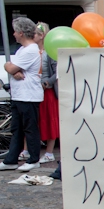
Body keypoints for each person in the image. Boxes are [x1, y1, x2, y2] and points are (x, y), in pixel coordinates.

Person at [0, 17, 43, 172]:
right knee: (17, 129)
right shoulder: (23, 50)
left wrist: (9, 67)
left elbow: (12, 68)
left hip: (29, 95)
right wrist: (12, 69)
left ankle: (34, 159)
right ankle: (11, 159)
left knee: (30, 128)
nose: (13, 34)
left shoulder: (30, 50)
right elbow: (14, 69)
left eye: (15, 31)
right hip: (20, 94)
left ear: (21, 33)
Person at [36, 22, 59, 164]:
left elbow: (57, 71)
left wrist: (47, 83)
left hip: (47, 91)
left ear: (42, 35)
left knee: (49, 120)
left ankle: (49, 152)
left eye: (36, 33)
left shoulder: (49, 51)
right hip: (35, 89)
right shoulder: (32, 50)